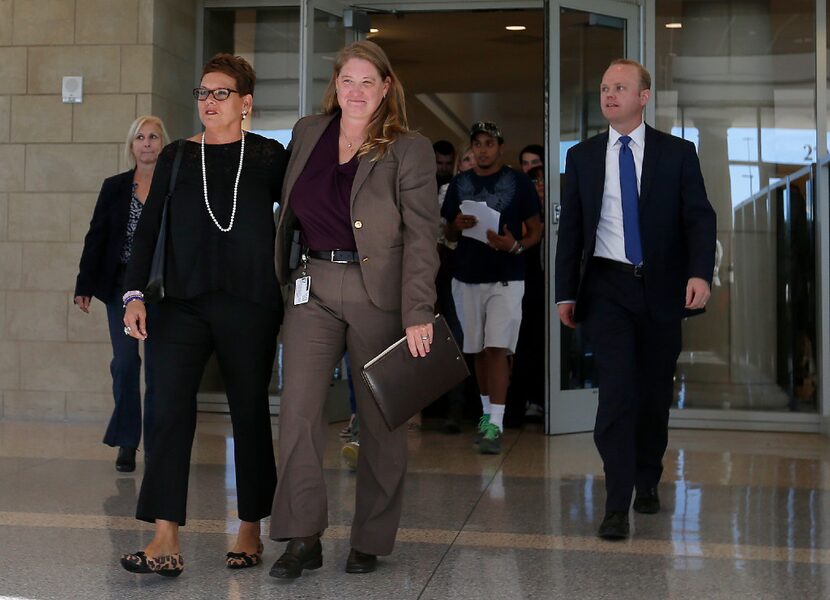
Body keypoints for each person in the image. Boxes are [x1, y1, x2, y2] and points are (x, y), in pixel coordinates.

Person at [268, 40, 438, 578]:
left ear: (387, 87)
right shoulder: (307, 133)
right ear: (334, 87)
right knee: (297, 412)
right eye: (348, 81)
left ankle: (370, 538)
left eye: (368, 81)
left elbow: (422, 236)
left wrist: (418, 311)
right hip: (312, 285)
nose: (357, 91)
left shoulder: (408, 148)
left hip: (380, 294)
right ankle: (301, 537)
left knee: (382, 421)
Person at [119, 53, 289, 576]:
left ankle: (250, 527)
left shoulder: (266, 156)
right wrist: (133, 294)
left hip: (250, 304)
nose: (209, 102)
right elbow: (147, 230)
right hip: (180, 304)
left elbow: (306, 216)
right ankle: (164, 534)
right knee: (166, 409)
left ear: (245, 104)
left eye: (221, 93)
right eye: (203, 93)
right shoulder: (173, 157)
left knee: (249, 413)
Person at [555, 59, 716, 540]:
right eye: (604, 87)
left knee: (652, 395)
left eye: (620, 87)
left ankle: (648, 476)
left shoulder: (678, 153)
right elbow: (573, 232)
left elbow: (699, 219)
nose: (609, 95)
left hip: (663, 288)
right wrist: (566, 292)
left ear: (643, 96)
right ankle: (616, 502)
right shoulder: (582, 156)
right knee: (618, 394)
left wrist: (699, 274)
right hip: (607, 288)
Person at [74, 115, 169, 473]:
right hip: (119, 285)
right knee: (126, 363)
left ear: (164, 144)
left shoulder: (174, 186)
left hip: (162, 287)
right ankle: (127, 441)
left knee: (160, 369)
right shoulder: (115, 187)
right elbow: (96, 236)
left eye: (154, 137)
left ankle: (159, 443)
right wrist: (84, 285)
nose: (147, 143)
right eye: (140, 137)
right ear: (131, 146)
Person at [442, 121, 543, 455]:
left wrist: (514, 246)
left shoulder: (518, 183)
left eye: (489, 143)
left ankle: (496, 424)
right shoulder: (460, 183)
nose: (483, 150)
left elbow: (535, 229)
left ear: (501, 146)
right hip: (466, 276)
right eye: (477, 144)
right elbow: (449, 234)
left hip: (507, 276)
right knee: (478, 351)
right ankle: (488, 418)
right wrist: (456, 226)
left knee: (497, 347)